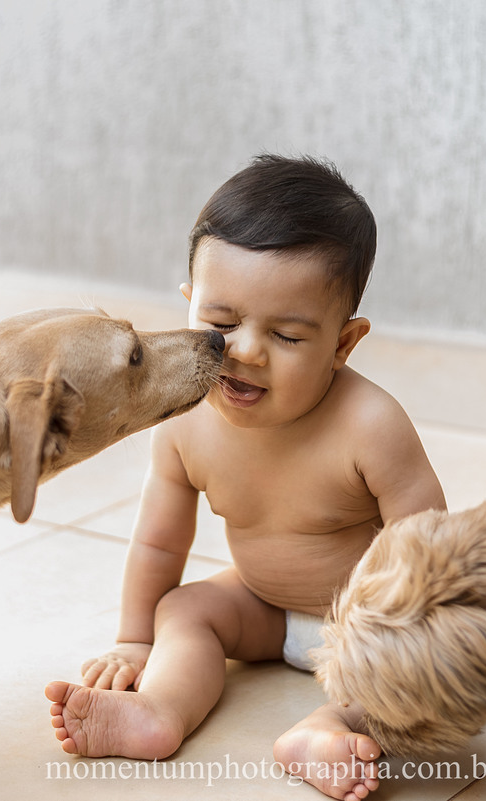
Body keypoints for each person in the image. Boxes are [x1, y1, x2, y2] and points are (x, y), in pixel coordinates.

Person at [45, 154, 446, 801]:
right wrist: (135, 638)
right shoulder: (184, 422)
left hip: (368, 623)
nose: (245, 349)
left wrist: (417, 633)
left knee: (429, 669)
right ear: (189, 306)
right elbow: (158, 543)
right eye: (221, 324)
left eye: (286, 335)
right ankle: (160, 710)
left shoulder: (371, 423)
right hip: (262, 606)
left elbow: (431, 544)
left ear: (343, 344)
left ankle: (328, 726)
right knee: (187, 607)